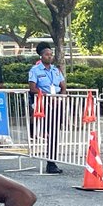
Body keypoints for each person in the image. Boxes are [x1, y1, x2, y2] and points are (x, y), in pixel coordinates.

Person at [27, 41, 65, 174]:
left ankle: (52, 161)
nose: (50, 56)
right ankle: (49, 160)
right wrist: (45, 97)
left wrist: (61, 97)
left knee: (55, 132)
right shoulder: (35, 70)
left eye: (51, 54)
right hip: (44, 103)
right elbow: (32, 88)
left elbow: (62, 85)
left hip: (57, 102)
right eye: (47, 55)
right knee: (49, 131)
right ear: (41, 57)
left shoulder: (56, 70)